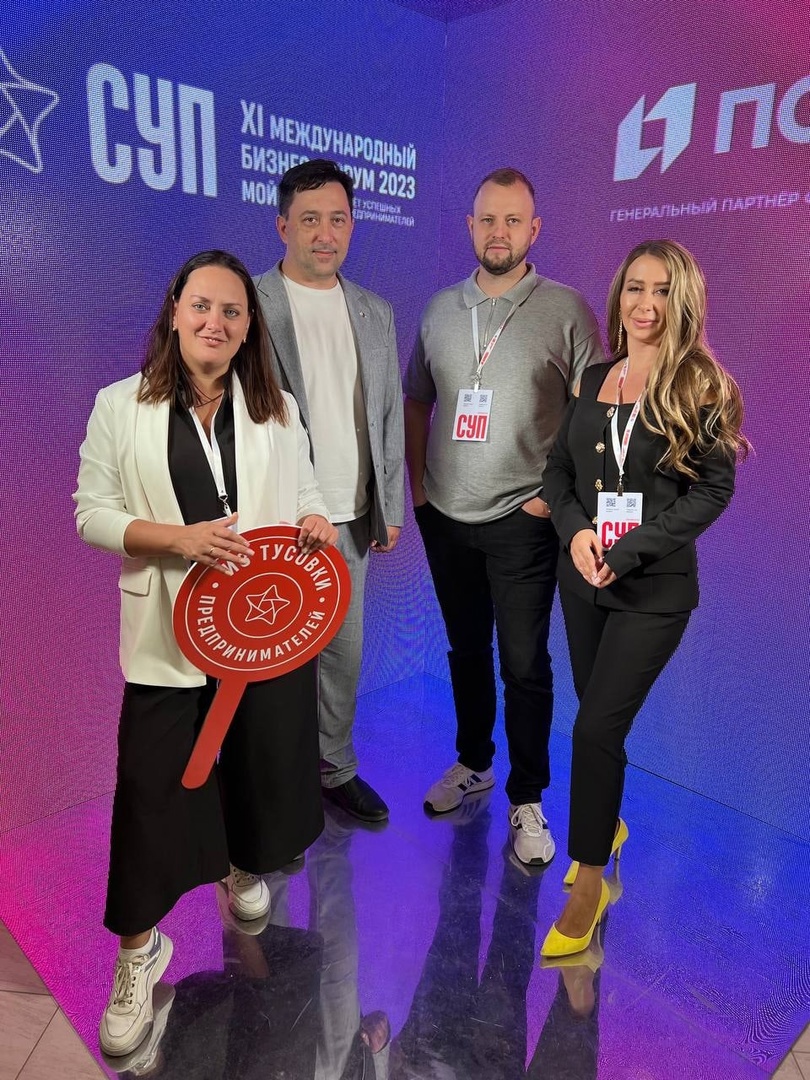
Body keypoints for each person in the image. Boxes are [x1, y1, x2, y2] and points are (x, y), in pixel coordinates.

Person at [74, 250, 338, 1057]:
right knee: (151, 790)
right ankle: (138, 950)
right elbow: (92, 513)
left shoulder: (278, 408)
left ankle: (243, 866)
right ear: (175, 310)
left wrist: (317, 521)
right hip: (169, 634)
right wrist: (177, 539)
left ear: (249, 325)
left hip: (261, 635)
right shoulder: (119, 405)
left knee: (259, 768)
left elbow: (306, 492)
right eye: (201, 306)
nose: (215, 322)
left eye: (231, 311)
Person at [540, 239, 749, 957]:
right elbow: (558, 475)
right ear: (618, 295)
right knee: (600, 726)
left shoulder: (701, 387)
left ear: (682, 301)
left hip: (652, 590)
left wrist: (626, 550)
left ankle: (590, 883)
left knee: (594, 729)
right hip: (582, 581)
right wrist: (575, 533)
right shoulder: (594, 378)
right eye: (636, 287)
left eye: (662, 291)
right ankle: (608, 825)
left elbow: (713, 490)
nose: (647, 304)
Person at [403, 167, 604, 865]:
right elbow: (418, 401)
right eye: (488, 219)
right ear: (470, 226)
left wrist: (554, 497)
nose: (499, 232)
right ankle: (474, 763)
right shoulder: (439, 310)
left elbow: (593, 414)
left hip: (525, 520)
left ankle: (527, 798)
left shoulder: (567, 309)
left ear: (534, 229)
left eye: (513, 220)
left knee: (524, 663)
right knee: (465, 650)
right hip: (445, 516)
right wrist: (418, 492)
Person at [254, 159, 404, 824]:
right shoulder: (249, 303)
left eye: (337, 219)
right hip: (276, 518)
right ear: (283, 225)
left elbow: (389, 412)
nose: (325, 233)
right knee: (272, 659)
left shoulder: (375, 311)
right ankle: (271, 781)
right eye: (309, 219)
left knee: (343, 654)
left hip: (351, 515)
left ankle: (334, 769)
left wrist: (389, 505)